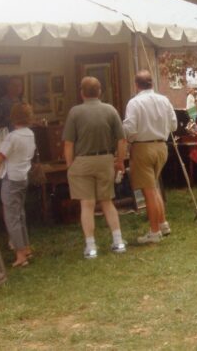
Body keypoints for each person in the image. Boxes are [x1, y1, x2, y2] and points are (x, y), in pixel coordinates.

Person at [63, 77, 127, 259]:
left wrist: (70, 166)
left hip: (82, 161)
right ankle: (118, 241)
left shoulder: (75, 112)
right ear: (100, 92)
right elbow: (121, 140)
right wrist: (120, 160)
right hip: (105, 159)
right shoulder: (110, 110)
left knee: (87, 204)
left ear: (81, 93)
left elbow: (68, 143)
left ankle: (91, 247)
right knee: (107, 201)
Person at [123, 70, 177, 244]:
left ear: (136, 85)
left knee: (148, 191)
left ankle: (154, 232)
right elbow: (174, 125)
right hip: (162, 145)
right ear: (152, 83)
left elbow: (129, 128)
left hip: (143, 147)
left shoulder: (134, 102)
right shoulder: (164, 100)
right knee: (154, 186)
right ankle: (163, 224)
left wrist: (126, 140)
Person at [0, 103, 35, 268]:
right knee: (19, 213)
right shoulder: (30, 134)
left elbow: (0, 157)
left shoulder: (12, 136)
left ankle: (20, 254)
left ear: (13, 117)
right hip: (23, 177)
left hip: (11, 178)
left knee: (11, 217)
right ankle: (26, 247)